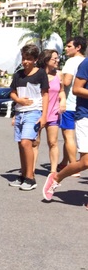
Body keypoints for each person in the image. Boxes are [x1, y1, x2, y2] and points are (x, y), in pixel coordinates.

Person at [43, 57, 88, 205]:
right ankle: (56, 177)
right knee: (86, 161)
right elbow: (76, 89)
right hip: (85, 115)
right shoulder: (86, 63)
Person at [8, 44, 49, 191]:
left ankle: (31, 178)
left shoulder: (41, 74)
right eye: (24, 58)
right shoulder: (18, 74)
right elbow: (12, 92)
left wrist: (44, 116)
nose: (25, 62)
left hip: (34, 112)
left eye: (29, 59)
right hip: (20, 112)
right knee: (21, 144)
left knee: (27, 143)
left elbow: (45, 94)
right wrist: (18, 101)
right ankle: (23, 174)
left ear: (36, 59)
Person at [32, 50, 64, 173]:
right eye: (54, 59)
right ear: (46, 60)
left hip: (53, 112)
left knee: (53, 142)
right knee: (35, 142)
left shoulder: (59, 74)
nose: (57, 61)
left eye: (58, 58)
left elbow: (61, 91)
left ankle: (53, 172)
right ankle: (31, 170)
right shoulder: (38, 74)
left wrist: (63, 102)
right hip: (37, 112)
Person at [58, 36, 86, 177]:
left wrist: (59, 76)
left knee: (68, 136)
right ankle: (64, 161)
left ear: (78, 47)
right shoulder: (84, 61)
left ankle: (74, 166)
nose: (66, 49)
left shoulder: (71, 61)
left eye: (69, 46)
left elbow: (67, 81)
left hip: (70, 104)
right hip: (83, 105)